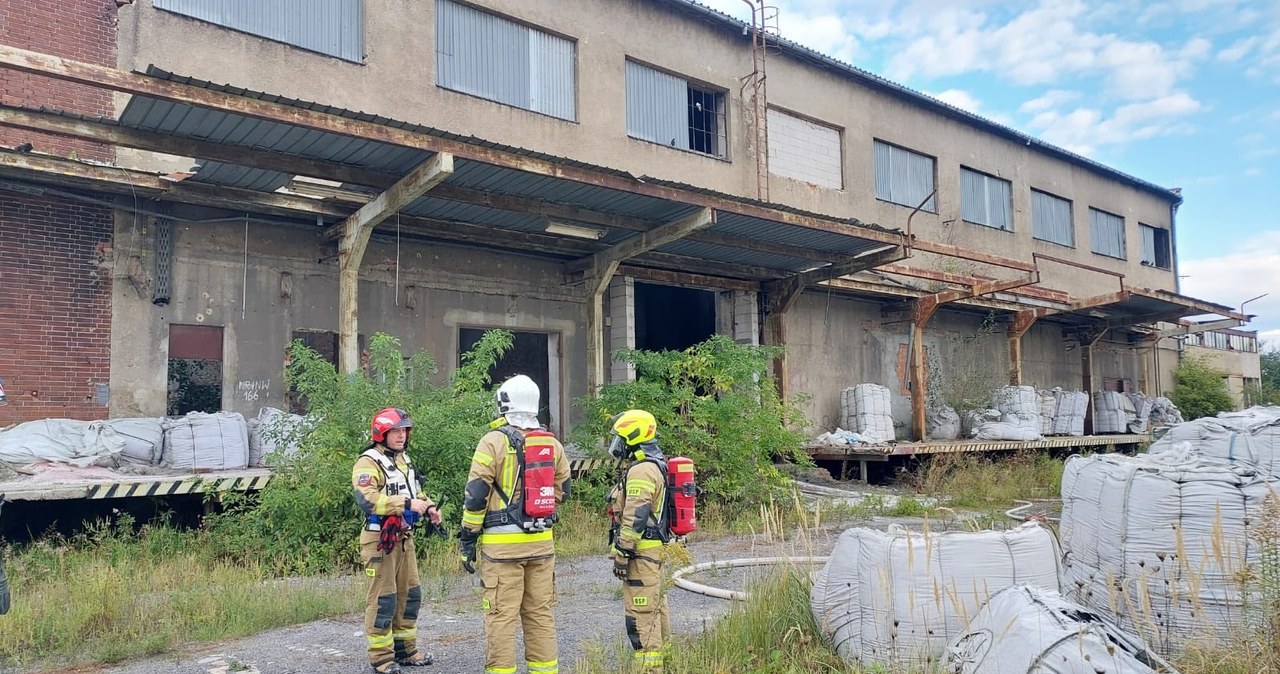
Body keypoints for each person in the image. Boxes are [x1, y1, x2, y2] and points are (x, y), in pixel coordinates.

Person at [458, 375, 571, 674]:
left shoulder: (492, 441)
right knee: (540, 614)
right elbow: (563, 490)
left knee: (501, 617)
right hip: (542, 545)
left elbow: (476, 495)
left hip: (502, 551)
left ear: (503, 404)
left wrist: (468, 538)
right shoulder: (551, 443)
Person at [352, 407, 442, 674]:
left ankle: (407, 651)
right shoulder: (368, 462)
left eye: (404, 431)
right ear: (381, 434)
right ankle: (381, 658)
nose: (401, 436)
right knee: (384, 600)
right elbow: (367, 500)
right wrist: (406, 504)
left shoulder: (403, 460)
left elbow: (416, 492)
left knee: (410, 596)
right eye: (395, 431)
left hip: (404, 538)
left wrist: (429, 506)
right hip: (380, 540)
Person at [606, 409, 671, 672]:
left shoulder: (642, 471)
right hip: (651, 551)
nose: (617, 444)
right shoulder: (654, 464)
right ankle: (661, 663)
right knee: (655, 607)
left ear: (633, 437)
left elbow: (636, 515)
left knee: (641, 612)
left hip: (641, 553)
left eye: (620, 438)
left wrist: (623, 552)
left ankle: (649, 667)